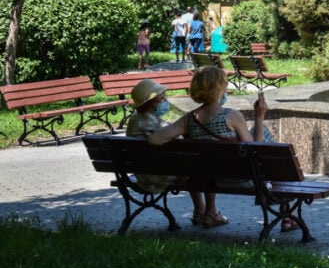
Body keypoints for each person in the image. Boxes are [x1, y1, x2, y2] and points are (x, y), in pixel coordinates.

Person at [148, 66, 294, 230]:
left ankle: (285, 211)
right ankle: (286, 212)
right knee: (267, 139)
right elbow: (256, 147)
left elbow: (155, 138)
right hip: (240, 179)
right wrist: (259, 116)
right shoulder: (232, 116)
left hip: (209, 179)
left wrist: (181, 136)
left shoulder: (190, 119)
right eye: (224, 84)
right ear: (218, 88)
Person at [125, 79, 213, 226]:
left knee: (192, 166)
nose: (165, 101)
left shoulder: (136, 120)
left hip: (144, 172)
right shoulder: (151, 123)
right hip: (158, 176)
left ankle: (199, 210)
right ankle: (209, 213)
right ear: (149, 103)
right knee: (203, 167)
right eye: (161, 99)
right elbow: (178, 140)